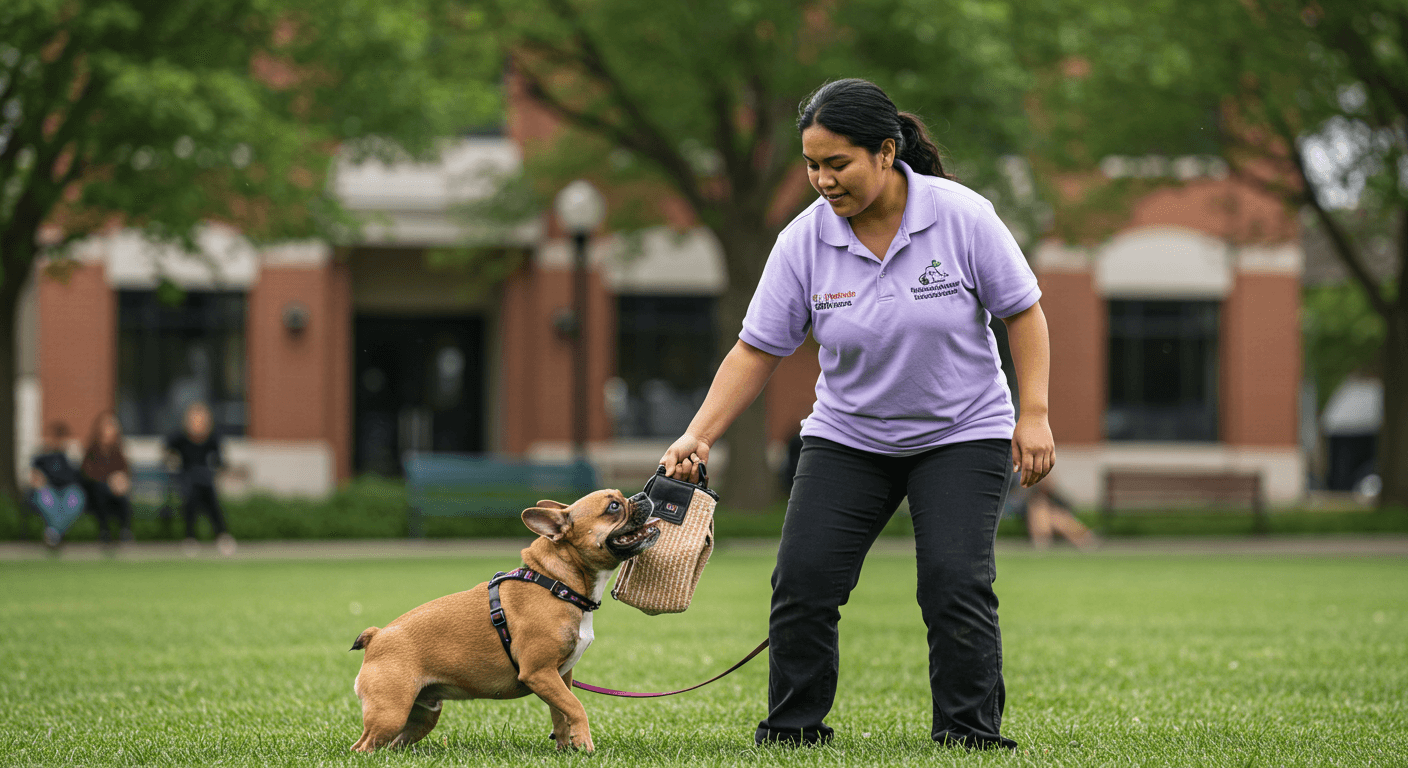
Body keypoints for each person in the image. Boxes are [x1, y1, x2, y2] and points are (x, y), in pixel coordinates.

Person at [660, 79, 1053, 750]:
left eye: (836, 163)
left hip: (963, 431)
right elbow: (755, 351)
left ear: (885, 152)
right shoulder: (803, 241)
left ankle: (969, 733)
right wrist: (698, 432)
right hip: (849, 436)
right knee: (803, 581)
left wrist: (1035, 413)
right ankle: (793, 730)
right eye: (812, 165)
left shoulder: (961, 215)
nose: (822, 180)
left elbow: (1023, 313)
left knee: (955, 583)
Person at [165, 402, 235, 556]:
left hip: (205, 478)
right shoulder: (179, 438)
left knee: (209, 497)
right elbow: (167, 452)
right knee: (191, 496)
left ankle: (222, 534)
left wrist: (221, 469)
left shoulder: (212, 438)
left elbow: (219, 461)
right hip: (186, 477)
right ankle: (190, 537)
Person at [29, 421, 87, 548]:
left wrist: (74, 452)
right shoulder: (40, 457)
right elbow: (34, 477)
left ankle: (52, 533)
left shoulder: (71, 457)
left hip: (69, 491)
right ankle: (57, 534)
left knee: (74, 500)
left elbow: (81, 477)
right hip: (48, 490)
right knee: (47, 498)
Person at [82, 411, 135, 545]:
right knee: (100, 490)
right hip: (95, 495)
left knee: (123, 496)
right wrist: (109, 481)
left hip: (116, 494)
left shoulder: (118, 451)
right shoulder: (92, 451)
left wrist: (121, 480)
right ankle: (104, 531)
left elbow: (125, 471)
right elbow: (87, 474)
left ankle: (125, 531)